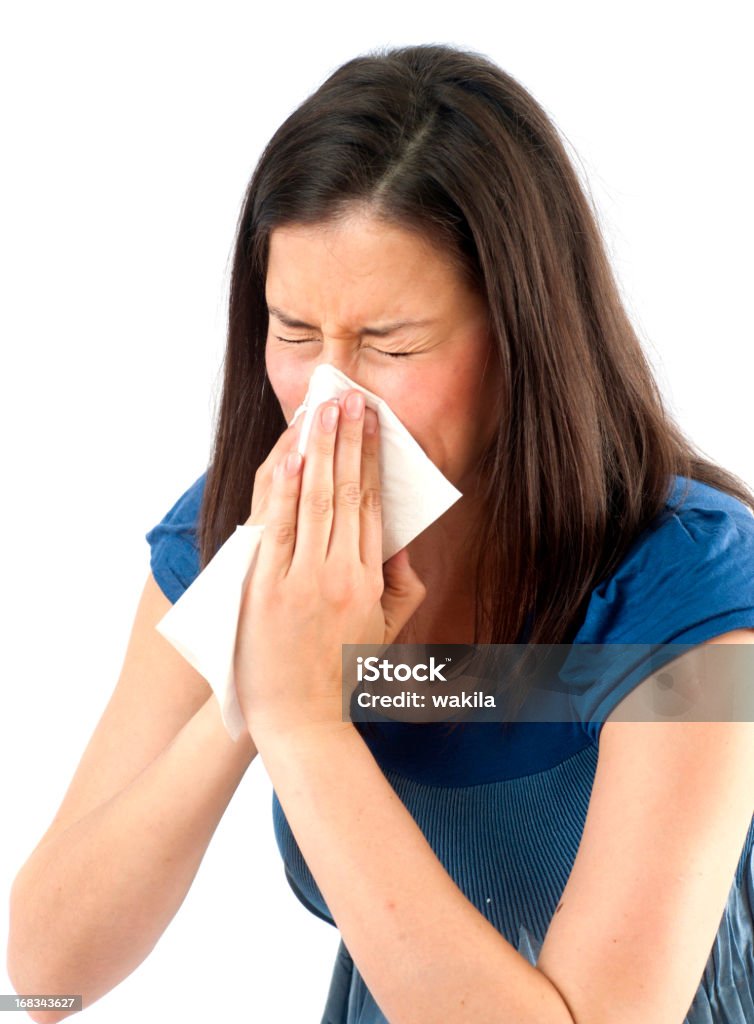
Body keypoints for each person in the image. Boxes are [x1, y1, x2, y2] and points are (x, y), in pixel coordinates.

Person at [8, 42, 754, 1024]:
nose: (330, 396)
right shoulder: (243, 529)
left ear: (519, 338)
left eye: (390, 345)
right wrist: (260, 680)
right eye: (293, 333)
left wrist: (309, 721)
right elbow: (43, 972)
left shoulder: (696, 586)